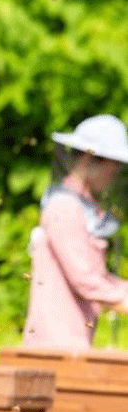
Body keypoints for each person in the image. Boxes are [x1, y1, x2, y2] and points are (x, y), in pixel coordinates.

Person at [22, 114, 128, 350]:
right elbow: (85, 279)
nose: (113, 179)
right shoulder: (64, 207)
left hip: (74, 342)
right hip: (52, 346)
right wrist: (123, 299)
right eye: (112, 171)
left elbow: (96, 276)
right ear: (91, 159)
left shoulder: (83, 206)